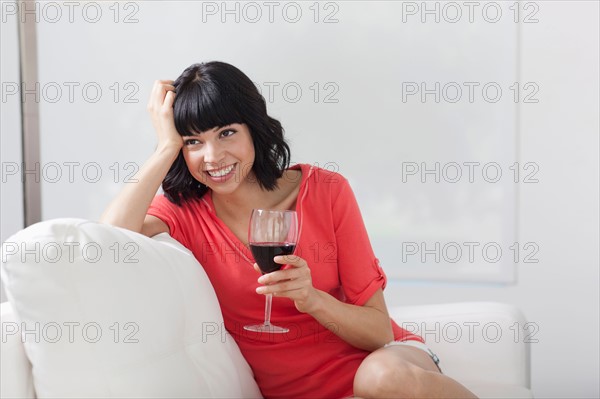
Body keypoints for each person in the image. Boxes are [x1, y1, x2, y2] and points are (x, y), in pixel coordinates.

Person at [101, 61, 477, 399]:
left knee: (378, 380)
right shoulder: (186, 212)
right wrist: (165, 146)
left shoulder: (327, 191)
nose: (212, 157)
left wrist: (310, 298)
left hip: (386, 367)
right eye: (193, 142)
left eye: (227, 133)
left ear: (254, 129)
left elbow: (379, 332)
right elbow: (107, 241)